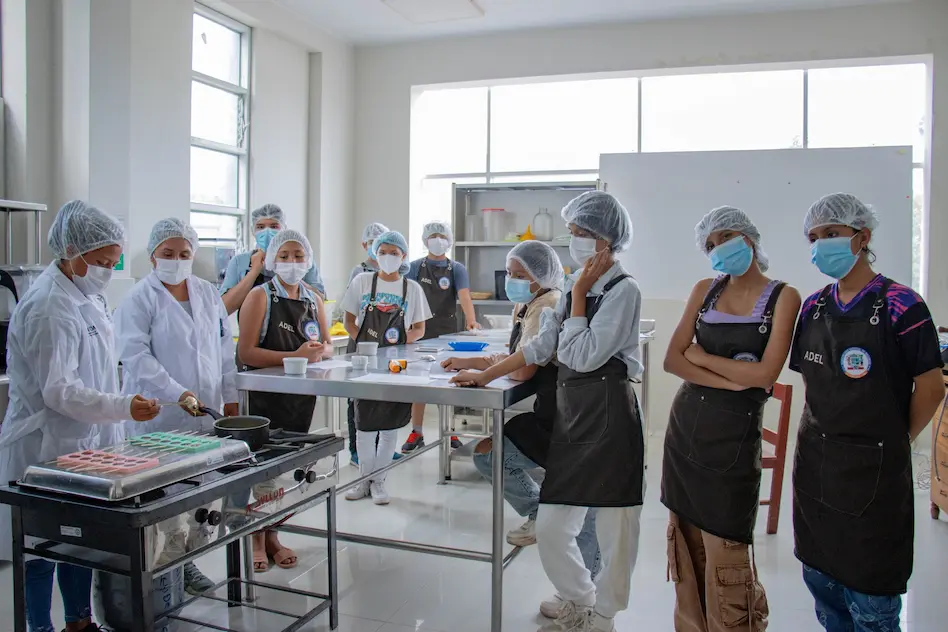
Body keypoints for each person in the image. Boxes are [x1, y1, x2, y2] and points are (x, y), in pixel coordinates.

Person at [0, 200, 160, 632]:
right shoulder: (49, 307)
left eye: (113, 261)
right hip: (45, 445)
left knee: (80, 540)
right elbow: (60, 391)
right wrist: (122, 406)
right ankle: (40, 626)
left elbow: (99, 370)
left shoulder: (86, 296)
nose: (108, 270)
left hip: (85, 442)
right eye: (101, 262)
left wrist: (120, 407)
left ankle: (78, 622)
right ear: (72, 251)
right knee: (40, 547)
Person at [789, 193, 944, 632]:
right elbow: (813, 383)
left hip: (874, 476)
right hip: (817, 469)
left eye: (832, 234)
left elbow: (931, 388)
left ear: (863, 236)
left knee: (872, 604)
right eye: (814, 237)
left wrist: (896, 439)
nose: (821, 245)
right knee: (826, 592)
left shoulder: (901, 304)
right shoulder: (812, 306)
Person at [662, 207, 801, 632]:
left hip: (733, 444)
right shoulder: (704, 289)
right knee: (686, 553)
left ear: (749, 238)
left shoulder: (784, 296)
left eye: (724, 238)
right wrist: (733, 378)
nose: (718, 249)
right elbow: (672, 360)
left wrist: (702, 357)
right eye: (710, 245)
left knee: (727, 557)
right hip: (685, 433)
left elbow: (765, 375)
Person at [447, 241, 602, 587]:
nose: (512, 280)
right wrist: (474, 364)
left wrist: (483, 373)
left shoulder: (549, 304)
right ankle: (577, 580)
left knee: (583, 504)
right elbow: (517, 354)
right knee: (492, 454)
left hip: (571, 414)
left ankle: (588, 594)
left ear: (543, 275)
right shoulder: (530, 301)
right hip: (555, 408)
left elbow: (523, 368)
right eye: (511, 273)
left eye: (521, 275)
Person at [115, 217, 239, 595]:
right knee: (166, 499)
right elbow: (135, 355)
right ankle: (167, 572)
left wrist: (230, 397)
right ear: (153, 255)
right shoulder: (140, 298)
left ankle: (190, 562)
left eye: (184, 253)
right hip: (161, 414)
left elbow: (223, 349)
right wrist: (178, 391)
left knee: (201, 495)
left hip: (206, 413)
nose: (176, 260)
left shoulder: (206, 293)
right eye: (167, 253)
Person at [237, 229, 333, 571]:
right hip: (264, 398)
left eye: (299, 256)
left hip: (298, 398)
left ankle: (273, 534)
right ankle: (257, 539)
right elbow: (245, 352)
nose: (293, 263)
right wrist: (292, 356)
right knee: (263, 472)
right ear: (272, 259)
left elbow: (327, 341)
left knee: (286, 472)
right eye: (285, 256)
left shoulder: (313, 298)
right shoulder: (260, 297)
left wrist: (320, 351)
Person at [342, 230, 431, 504]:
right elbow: (349, 321)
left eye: (394, 253)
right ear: (374, 254)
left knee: (390, 423)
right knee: (365, 421)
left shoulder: (411, 288)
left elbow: (419, 328)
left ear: (404, 256)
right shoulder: (362, 282)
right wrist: (367, 344)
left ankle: (379, 481)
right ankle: (363, 481)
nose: (388, 257)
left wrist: (399, 345)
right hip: (364, 360)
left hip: (396, 362)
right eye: (383, 252)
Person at [402, 222, 476, 454]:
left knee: (446, 384)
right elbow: (407, 296)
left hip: (447, 332)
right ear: (425, 240)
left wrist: (472, 320)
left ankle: (451, 431)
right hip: (418, 333)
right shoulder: (414, 267)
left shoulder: (456, 269)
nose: (437, 239)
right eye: (432, 236)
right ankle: (417, 431)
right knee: (419, 384)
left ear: (449, 240)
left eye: (441, 236)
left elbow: (465, 297)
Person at [345, 222, 401, 466]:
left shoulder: (399, 276)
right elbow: (350, 314)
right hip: (362, 344)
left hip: (387, 346)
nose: (384, 255)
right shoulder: (359, 274)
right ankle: (357, 450)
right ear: (367, 247)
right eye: (376, 247)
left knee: (384, 396)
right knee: (357, 399)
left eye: (391, 250)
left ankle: (382, 448)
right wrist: (363, 341)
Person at [220, 203, 325, 314]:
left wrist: (293, 274)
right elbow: (223, 308)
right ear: (253, 231)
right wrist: (253, 272)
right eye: (260, 227)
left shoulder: (300, 261)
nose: (267, 232)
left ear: (284, 229)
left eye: (274, 226)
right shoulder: (240, 262)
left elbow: (320, 301)